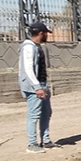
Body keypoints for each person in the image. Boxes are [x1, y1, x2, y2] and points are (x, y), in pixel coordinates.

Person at [18, 22, 59, 153]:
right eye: (46, 33)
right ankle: (32, 144)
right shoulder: (28, 47)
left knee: (46, 113)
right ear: (41, 33)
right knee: (34, 115)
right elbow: (28, 69)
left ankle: (46, 141)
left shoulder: (36, 47)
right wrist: (37, 87)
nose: (47, 35)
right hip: (34, 87)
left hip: (41, 84)